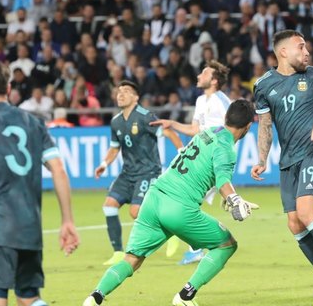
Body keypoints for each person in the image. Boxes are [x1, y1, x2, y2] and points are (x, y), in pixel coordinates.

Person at [83, 99, 257, 306]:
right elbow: (222, 181)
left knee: (132, 259)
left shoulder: (209, 131)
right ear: (248, 127)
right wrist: (234, 199)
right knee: (226, 245)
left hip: (154, 198)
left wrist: (229, 197)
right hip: (179, 208)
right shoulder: (226, 148)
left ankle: (95, 297)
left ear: (226, 117)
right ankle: (185, 296)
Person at [251, 30, 313, 306]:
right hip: (288, 160)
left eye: (306, 47)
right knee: (294, 223)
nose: (307, 52)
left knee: (307, 213)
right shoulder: (263, 85)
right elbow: (265, 125)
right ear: (282, 52)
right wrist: (261, 160)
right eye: (301, 47)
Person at [0, 60, 79, 306]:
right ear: (8, 88)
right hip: (30, 228)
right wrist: (67, 221)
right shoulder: (33, 123)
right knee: (29, 297)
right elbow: (59, 170)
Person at [94, 80, 182, 266]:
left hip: (148, 171)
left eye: (126, 91)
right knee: (109, 205)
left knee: (135, 212)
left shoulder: (144, 116)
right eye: (119, 91)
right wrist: (104, 164)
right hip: (127, 173)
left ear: (136, 97)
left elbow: (167, 132)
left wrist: (182, 152)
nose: (121, 94)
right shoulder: (116, 122)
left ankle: (171, 231)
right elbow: (114, 148)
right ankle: (118, 252)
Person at [155, 60, 231, 264]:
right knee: (188, 200)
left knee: (187, 200)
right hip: (200, 157)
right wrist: (172, 123)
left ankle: (198, 246)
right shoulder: (200, 101)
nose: (199, 76)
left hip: (214, 159)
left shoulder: (221, 101)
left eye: (204, 73)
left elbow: (233, 127)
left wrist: (223, 158)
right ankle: (196, 245)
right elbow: (194, 130)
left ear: (214, 80)